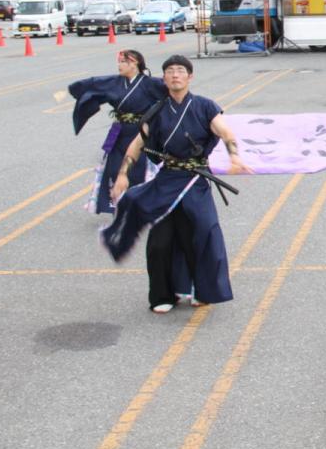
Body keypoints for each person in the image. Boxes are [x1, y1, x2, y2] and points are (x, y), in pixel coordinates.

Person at [102, 55, 249, 313]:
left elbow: (225, 133)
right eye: (169, 71)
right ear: (164, 78)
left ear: (190, 77)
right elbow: (137, 144)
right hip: (167, 180)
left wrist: (234, 156)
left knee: (202, 234)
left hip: (195, 180)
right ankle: (162, 295)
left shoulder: (205, 106)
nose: (175, 75)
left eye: (180, 70)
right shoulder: (157, 110)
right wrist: (124, 174)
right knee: (160, 242)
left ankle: (201, 291)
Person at [64, 50, 167, 214]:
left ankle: (143, 205)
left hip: (141, 132)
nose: (118, 66)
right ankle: (119, 204)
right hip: (119, 131)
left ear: (134, 63)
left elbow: (173, 93)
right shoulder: (114, 82)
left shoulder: (150, 83)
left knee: (139, 169)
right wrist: (76, 90)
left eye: (122, 62)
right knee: (113, 168)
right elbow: (92, 84)